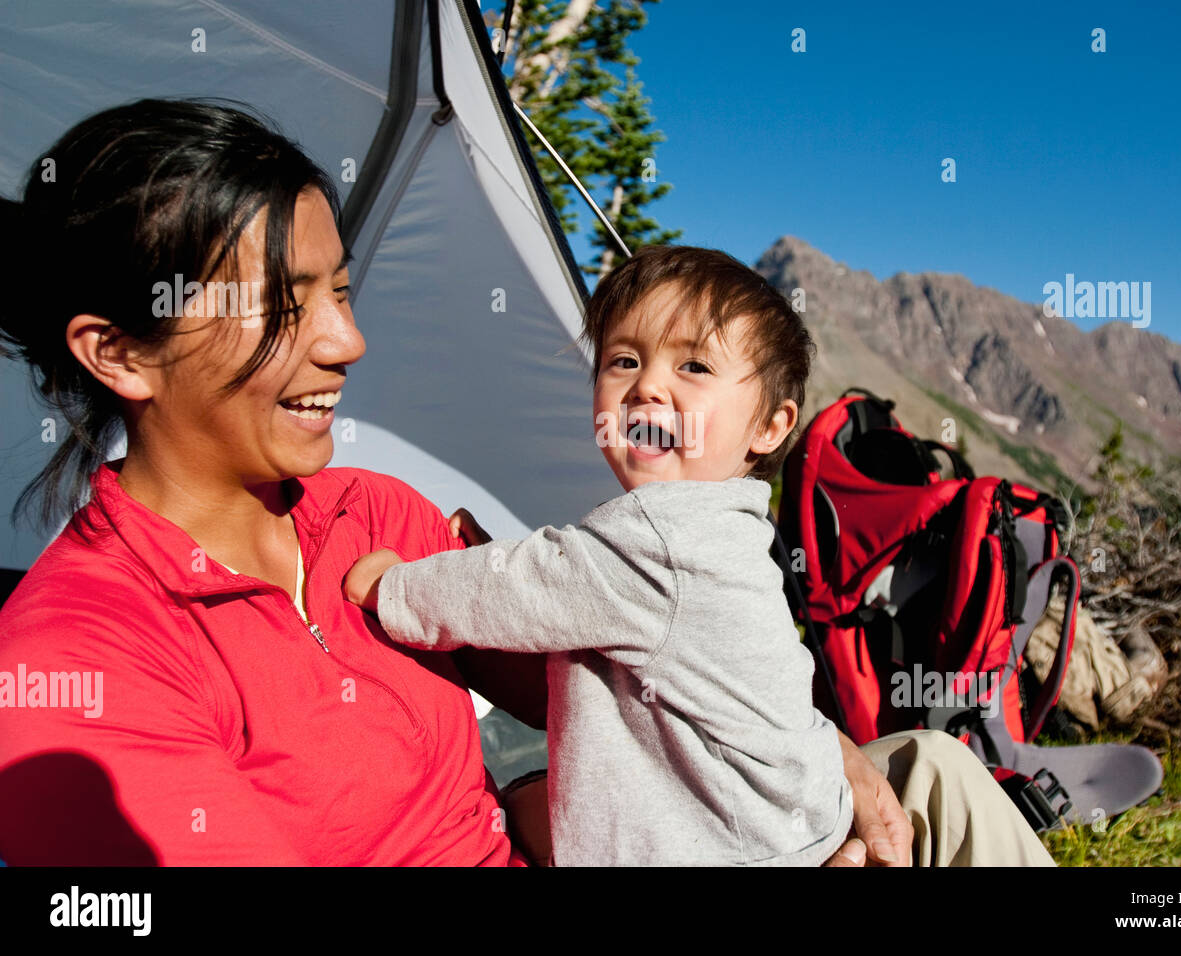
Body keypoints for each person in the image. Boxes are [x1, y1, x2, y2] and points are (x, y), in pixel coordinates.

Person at [0, 97, 1052, 867]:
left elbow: (627, 659)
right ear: (119, 353)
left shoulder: (374, 515)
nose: (347, 341)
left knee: (929, 770)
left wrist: (832, 772)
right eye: (285, 307)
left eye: (343, 292)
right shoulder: (80, 665)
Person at [345, 246, 854, 865]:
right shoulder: (729, 526)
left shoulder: (666, 538)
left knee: (523, 811)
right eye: (623, 360)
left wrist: (396, 588)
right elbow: (579, 590)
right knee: (532, 805)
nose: (648, 385)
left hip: (734, 847)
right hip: (791, 821)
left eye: (693, 365)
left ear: (770, 427)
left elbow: (532, 588)